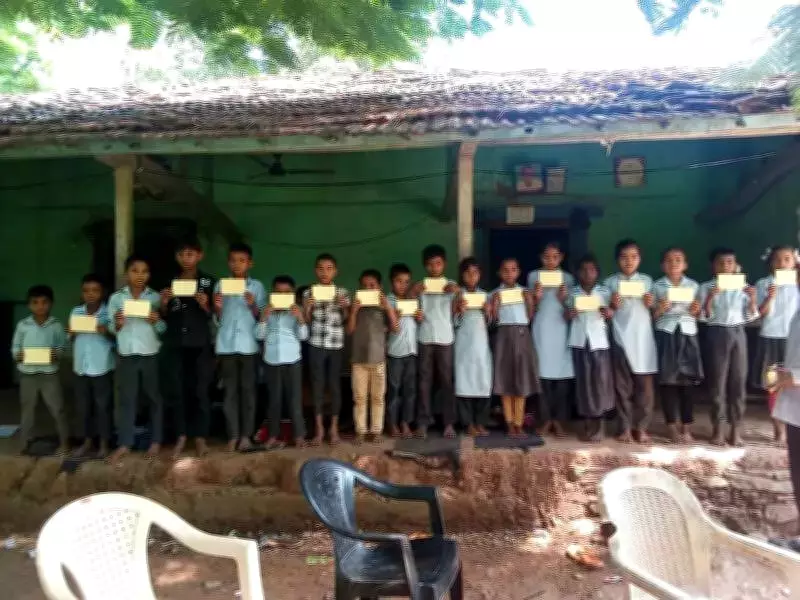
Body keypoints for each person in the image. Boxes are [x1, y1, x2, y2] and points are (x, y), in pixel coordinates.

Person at [160, 238, 216, 458]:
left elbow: (215, 315)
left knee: (200, 390)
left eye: (190, 254)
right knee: (177, 390)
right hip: (175, 342)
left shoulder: (208, 282)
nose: (186, 259)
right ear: (177, 257)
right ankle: (181, 436)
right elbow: (163, 315)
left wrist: (206, 305)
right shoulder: (169, 281)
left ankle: (200, 437)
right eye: (182, 254)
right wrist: (164, 304)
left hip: (200, 342)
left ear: (199, 256)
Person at [107, 255, 166, 462]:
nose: (139, 275)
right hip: (127, 354)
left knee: (154, 398)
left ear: (149, 275)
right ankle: (125, 443)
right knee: (127, 399)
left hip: (150, 353)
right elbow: (111, 328)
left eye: (144, 271)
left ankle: (156, 440)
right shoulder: (116, 299)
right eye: (134, 270)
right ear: (126, 274)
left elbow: (163, 329)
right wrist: (117, 324)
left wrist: (156, 321)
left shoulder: (155, 298)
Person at [699, 247, 758, 446]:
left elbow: (751, 316)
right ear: (713, 266)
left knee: (738, 382)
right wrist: (710, 298)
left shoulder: (743, 287)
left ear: (736, 265)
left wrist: (752, 299)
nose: (725, 266)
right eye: (721, 262)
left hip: (738, 332)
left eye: (730, 262)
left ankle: (735, 430)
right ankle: (718, 429)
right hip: (716, 332)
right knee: (717, 383)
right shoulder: (706, 287)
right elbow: (703, 317)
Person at [213, 242, 266, 452]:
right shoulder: (220, 285)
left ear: (250, 264)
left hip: (248, 345)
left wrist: (253, 304)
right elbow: (218, 319)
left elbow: (262, 317)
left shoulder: (257, 287)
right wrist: (217, 308)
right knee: (230, 392)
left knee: (248, 392)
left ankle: (246, 436)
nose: (237, 264)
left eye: (242, 261)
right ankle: (233, 435)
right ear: (228, 263)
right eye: (233, 260)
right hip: (226, 345)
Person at [605, 239, 658, 444]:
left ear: (640, 259)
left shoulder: (647, 282)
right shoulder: (610, 283)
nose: (629, 261)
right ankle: (625, 428)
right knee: (622, 388)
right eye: (624, 257)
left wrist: (651, 303)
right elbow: (605, 313)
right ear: (617, 260)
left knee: (645, 389)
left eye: (634, 257)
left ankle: (641, 428)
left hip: (643, 339)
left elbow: (656, 311)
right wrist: (612, 305)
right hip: (620, 338)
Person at [651, 248, 704, 443]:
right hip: (667, 333)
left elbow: (700, 314)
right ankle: (671, 426)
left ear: (685, 265)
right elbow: (652, 316)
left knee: (688, 383)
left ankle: (686, 427)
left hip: (688, 333)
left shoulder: (694, 286)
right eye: (669, 260)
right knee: (668, 383)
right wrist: (660, 308)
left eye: (678, 260)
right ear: (662, 266)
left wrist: (696, 310)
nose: (674, 264)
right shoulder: (657, 286)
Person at [11, 285, 68, 455]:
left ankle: (65, 443)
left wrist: (56, 354)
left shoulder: (56, 325)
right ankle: (24, 444)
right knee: (27, 410)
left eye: (44, 302)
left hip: (49, 374)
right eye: (35, 302)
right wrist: (18, 355)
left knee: (58, 409)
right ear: (29, 305)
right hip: (28, 374)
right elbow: (15, 348)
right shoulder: (23, 325)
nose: (40, 306)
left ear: (51, 304)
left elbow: (62, 347)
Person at [752, 245, 799, 444]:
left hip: (794, 341)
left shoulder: (797, 283)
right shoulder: (763, 284)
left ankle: (792, 427)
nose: (782, 263)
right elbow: (759, 313)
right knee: (772, 384)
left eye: (787, 259)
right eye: (777, 259)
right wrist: (770, 297)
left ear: (795, 263)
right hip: (771, 337)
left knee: (795, 383)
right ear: (771, 263)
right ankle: (778, 429)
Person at [528, 241, 575, 437]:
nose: (550, 261)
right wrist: (536, 297)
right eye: (546, 257)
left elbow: (573, 308)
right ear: (541, 258)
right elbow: (530, 308)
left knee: (562, 380)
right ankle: (546, 420)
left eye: (555, 257)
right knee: (543, 378)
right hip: (541, 328)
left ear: (561, 258)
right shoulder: (534, 276)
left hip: (561, 329)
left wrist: (565, 299)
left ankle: (559, 421)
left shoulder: (568, 278)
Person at [255, 275, 308, 448]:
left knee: (294, 399)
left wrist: (300, 318)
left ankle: (299, 436)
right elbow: (259, 335)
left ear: (292, 294)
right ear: (272, 293)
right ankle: (272, 435)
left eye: (286, 292)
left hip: (292, 358)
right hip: (271, 359)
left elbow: (304, 336)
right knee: (274, 400)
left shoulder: (296, 310)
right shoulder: (266, 310)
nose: (282, 295)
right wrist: (263, 318)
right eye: (278, 292)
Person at [302, 253, 350, 445]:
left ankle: (334, 429)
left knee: (335, 386)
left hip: (336, 344)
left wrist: (344, 307)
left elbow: (346, 319)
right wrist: (307, 308)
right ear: (316, 271)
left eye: (329, 269)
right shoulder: (309, 293)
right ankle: (319, 429)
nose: (324, 272)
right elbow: (306, 321)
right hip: (316, 344)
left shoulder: (342, 292)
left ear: (335, 272)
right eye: (321, 269)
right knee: (317, 386)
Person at [412, 244, 459, 439]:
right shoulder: (419, 287)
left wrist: (457, 293)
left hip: (445, 337)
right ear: (425, 266)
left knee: (447, 381)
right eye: (430, 264)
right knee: (424, 382)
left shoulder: (452, 285)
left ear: (444, 264)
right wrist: (413, 295)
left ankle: (448, 423)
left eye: (438, 264)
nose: (434, 268)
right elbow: (412, 312)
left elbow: (458, 311)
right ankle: (423, 422)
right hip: (425, 336)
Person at [566, 255, 614, 442]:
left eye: (592, 269)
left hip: (599, 343)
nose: (587, 273)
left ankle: (599, 425)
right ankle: (587, 424)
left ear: (597, 272)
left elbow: (611, 313)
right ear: (578, 273)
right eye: (583, 270)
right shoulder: (572, 293)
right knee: (584, 384)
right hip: (579, 342)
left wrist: (608, 312)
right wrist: (570, 313)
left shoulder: (604, 292)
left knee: (600, 383)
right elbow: (566, 315)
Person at [347, 269, 397, 443]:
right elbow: (350, 330)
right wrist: (354, 311)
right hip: (358, 359)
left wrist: (388, 308)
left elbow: (395, 328)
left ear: (379, 287)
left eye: (372, 285)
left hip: (378, 359)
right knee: (359, 397)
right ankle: (360, 431)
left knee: (378, 397)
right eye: (364, 286)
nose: (368, 289)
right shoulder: (356, 307)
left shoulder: (383, 307)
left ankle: (376, 430)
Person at [491, 257, 539, 437]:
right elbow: (493, 320)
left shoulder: (524, 292)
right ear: (499, 273)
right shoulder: (494, 294)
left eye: (513, 269)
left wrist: (530, 301)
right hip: (503, 336)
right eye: (505, 270)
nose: (509, 273)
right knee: (505, 378)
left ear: (518, 272)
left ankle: (519, 422)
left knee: (521, 378)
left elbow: (530, 317)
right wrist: (495, 305)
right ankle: (509, 422)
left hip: (522, 335)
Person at [69, 274, 115, 458]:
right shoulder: (76, 312)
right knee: (83, 407)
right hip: (81, 367)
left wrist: (106, 331)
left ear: (102, 293)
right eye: (86, 290)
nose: (90, 294)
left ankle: (104, 443)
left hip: (101, 366)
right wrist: (71, 332)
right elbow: (71, 338)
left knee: (103, 407)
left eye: (95, 290)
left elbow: (117, 339)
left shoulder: (108, 313)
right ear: (82, 293)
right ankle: (87, 442)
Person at [454, 258, 492, 436]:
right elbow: (453, 322)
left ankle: (481, 423)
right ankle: (468, 423)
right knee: (464, 384)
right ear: (462, 275)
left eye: (475, 273)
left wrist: (488, 312)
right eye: (468, 273)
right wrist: (459, 311)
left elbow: (491, 323)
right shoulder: (458, 295)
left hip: (481, 346)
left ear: (480, 275)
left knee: (483, 383)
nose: (471, 276)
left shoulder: (485, 296)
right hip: (463, 346)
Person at [385, 263, 422, 439]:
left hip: (412, 351)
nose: (403, 285)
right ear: (391, 282)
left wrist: (419, 318)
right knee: (394, 389)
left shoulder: (413, 301)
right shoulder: (388, 301)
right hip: (395, 352)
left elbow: (417, 326)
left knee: (410, 390)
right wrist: (394, 317)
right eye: (398, 281)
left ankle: (406, 423)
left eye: (406, 282)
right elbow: (386, 328)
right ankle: (392, 423)